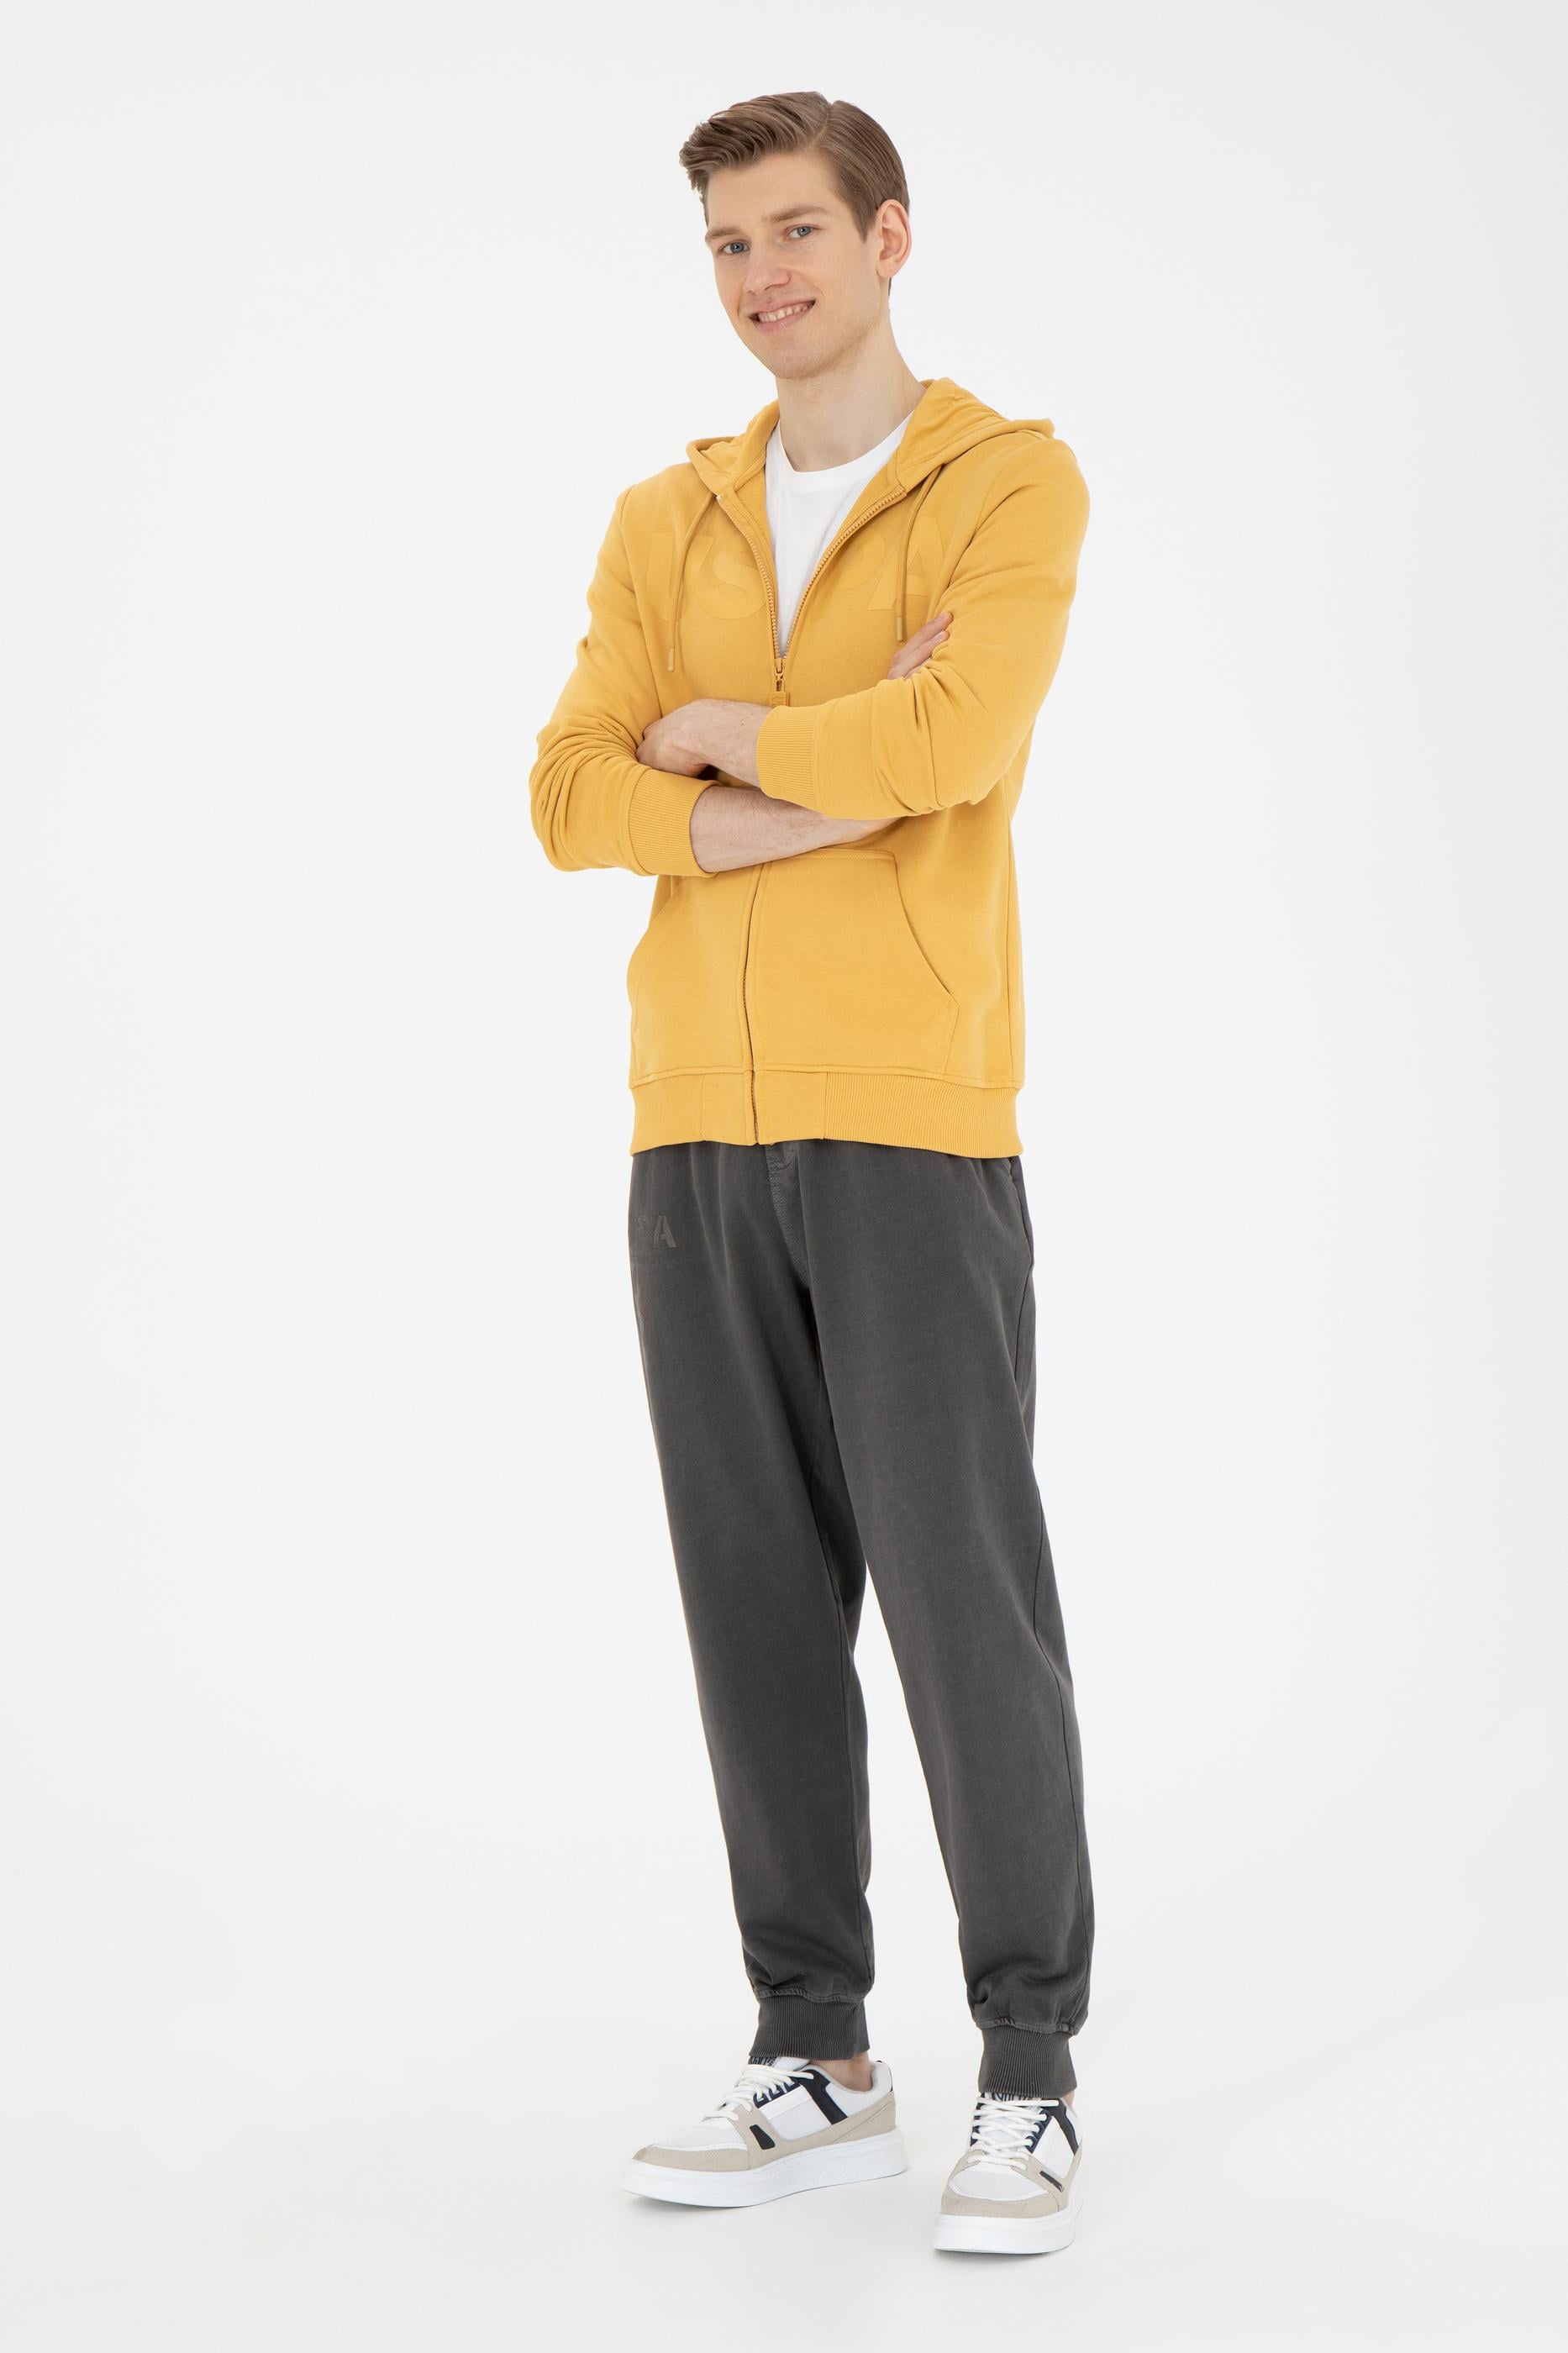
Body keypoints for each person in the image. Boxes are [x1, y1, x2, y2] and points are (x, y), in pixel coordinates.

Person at [529, 88, 1093, 2257]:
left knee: (963, 1604)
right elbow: (566, 793)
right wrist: (812, 784)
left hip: (909, 1118)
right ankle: (817, 2056)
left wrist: (715, 740)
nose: (762, 276)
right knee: (751, 1605)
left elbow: (955, 742)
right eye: (727, 245)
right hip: (693, 1119)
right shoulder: (662, 517)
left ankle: (1029, 2077)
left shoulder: (1005, 481)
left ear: (888, 237)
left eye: (795, 232)